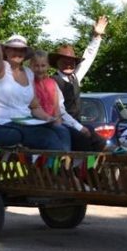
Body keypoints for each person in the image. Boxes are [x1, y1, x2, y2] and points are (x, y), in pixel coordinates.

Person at [0, 6, 68, 151]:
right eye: (13, 48)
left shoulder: (29, 73)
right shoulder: (1, 68)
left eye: (21, 49)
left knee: (62, 131)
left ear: (25, 53)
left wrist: (49, 118)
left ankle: (62, 169)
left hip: (26, 124)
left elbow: (35, 106)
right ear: (7, 51)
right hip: (1, 126)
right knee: (48, 138)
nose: (18, 52)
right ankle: (59, 172)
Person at [49, 14, 109, 151]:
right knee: (84, 142)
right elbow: (60, 112)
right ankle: (78, 171)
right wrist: (80, 128)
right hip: (62, 126)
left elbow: (88, 57)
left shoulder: (75, 77)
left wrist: (97, 37)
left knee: (100, 142)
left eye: (71, 61)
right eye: (64, 61)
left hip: (77, 125)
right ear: (57, 63)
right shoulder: (53, 82)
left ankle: (99, 170)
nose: (68, 64)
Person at [28, 49, 86, 151]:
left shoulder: (52, 83)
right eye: (36, 66)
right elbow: (32, 108)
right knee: (66, 133)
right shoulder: (28, 84)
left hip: (54, 121)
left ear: (48, 66)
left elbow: (57, 107)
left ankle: (70, 163)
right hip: (36, 122)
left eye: (43, 66)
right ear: (30, 66)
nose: (40, 69)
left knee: (72, 132)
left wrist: (58, 120)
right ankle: (62, 161)